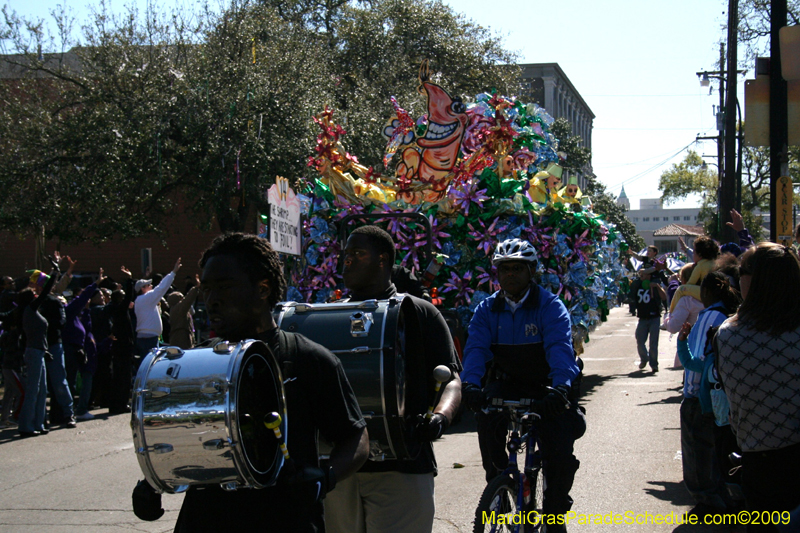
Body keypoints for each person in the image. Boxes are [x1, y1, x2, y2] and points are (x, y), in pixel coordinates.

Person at [132, 233, 369, 532]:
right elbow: (176, 442)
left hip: (287, 521)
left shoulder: (308, 358)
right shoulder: (196, 362)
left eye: (225, 287)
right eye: (207, 289)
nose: (212, 300)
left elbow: (356, 437)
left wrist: (326, 476)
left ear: (262, 289)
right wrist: (153, 484)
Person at [325, 225, 462, 533]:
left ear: (383, 260)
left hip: (404, 466)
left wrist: (440, 417)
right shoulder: (328, 317)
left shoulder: (422, 313)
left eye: (358, 254)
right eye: (345, 256)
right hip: (341, 468)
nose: (347, 262)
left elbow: (452, 379)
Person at [461, 238, 586, 533]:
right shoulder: (486, 309)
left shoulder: (550, 306)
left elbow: (559, 348)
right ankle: (500, 484)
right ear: (497, 273)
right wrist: (470, 385)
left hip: (547, 388)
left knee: (559, 454)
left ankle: (554, 511)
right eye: (505, 269)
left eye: (518, 268)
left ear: (532, 271)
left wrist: (561, 388)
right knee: (487, 420)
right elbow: (476, 349)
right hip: (508, 384)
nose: (511, 274)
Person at [716, 243, 800, 531]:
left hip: (762, 462)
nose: (737, 278)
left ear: (758, 279)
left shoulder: (730, 335)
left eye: (742, 271)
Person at [679, 269, 739, 520]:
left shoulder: (709, 317)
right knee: (715, 452)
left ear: (707, 292)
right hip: (720, 400)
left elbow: (698, 363)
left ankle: (709, 502)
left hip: (700, 399)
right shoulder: (727, 316)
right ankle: (721, 498)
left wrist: (691, 394)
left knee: (697, 455)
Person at [17, 262, 59, 437]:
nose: (37, 296)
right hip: (34, 352)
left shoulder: (33, 312)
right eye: (34, 295)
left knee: (42, 391)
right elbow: (45, 290)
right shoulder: (29, 309)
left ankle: (39, 423)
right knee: (33, 390)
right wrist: (54, 271)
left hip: (39, 351)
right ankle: (26, 426)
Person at [133, 258, 181, 370]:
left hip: (146, 337)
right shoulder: (147, 298)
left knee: (146, 364)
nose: (151, 286)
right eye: (148, 285)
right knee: (149, 366)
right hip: (149, 339)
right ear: (143, 289)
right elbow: (162, 287)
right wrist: (173, 272)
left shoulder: (141, 300)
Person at [670, 236, 720, 313]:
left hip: (707, 294)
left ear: (700, 255)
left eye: (694, 253)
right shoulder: (717, 262)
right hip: (718, 294)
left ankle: (671, 313)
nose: (692, 255)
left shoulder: (700, 265)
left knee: (681, 289)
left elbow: (690, 283)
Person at [629, 269, 666, 372]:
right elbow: (631, 294)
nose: (641, 277)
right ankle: (644, 358)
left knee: (653, 343)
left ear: (649, 276)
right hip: (642, 318)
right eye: (640, 275)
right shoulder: (638, 285)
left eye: (643, 275)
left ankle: (654, 364)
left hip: (654, 318)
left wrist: (657, 287)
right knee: (640, 340)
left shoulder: (655, 285)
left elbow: (664, 297)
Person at [165, 277, 201, 349]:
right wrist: (196, 287)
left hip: (176, 338)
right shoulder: (179, 308)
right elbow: (188, 300)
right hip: (181, 340)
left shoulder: (173, 309)